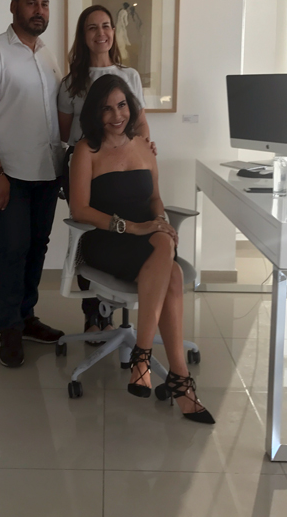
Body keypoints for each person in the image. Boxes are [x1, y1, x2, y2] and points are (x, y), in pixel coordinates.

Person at [69, 75, 214, 424]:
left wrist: (160, 220)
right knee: (170, 263)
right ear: (95, 113)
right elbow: (80, 210)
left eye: (122, 105)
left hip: (146, 236)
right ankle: (170, 375)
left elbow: (155, 199)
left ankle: (149, 360)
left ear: (131, 107)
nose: (116, 115)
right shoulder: (86, 151)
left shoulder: (144, 146)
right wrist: (133, 227)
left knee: (168, 257)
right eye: (106, 108)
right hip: (105, 238)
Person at [0, 0, 64, 368]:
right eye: (31, 3)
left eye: (45, 4)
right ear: (13, 6)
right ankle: (8, 329)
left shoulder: (48, 56)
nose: (39, 11)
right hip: (9, 173)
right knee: (12, 249)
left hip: (47, 171)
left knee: (37, 246)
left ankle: (26, 317)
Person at [58, 4, 153, 340]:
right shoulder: (71, 82)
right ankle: (93, 314)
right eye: (92, 27)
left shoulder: (130, 76)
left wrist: (144, 150)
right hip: (86, 169)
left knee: (125, 231)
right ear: (83, 36)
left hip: (123, 169)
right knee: (91, 233)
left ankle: (115, 309)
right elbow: (65, 133)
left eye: (106, 26)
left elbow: (140, 123)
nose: (101, 33)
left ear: (113, 31)